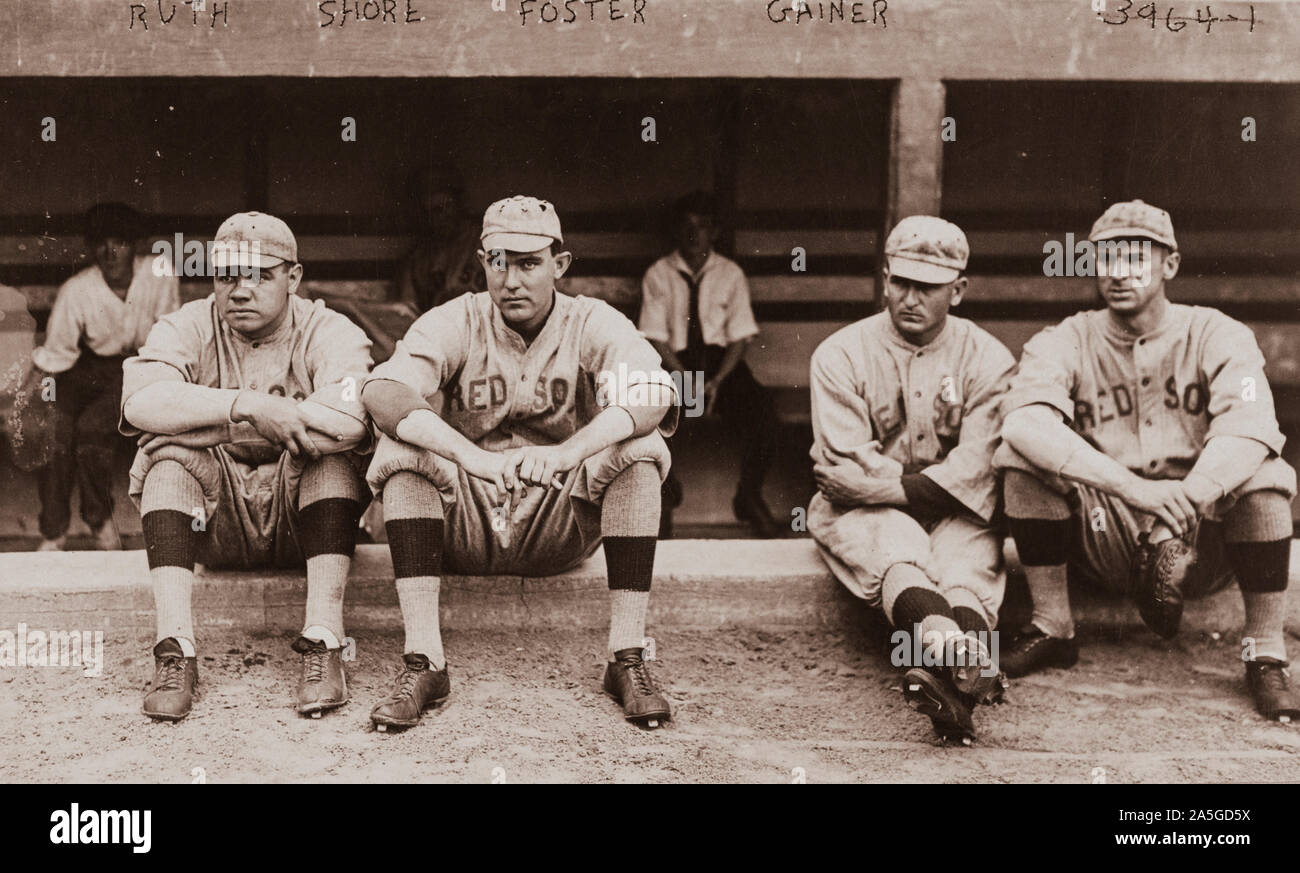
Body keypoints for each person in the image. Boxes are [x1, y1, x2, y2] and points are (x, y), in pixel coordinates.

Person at [361, 195, 679, 731]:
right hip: (466, 522)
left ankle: (627, 656)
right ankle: (425, 661)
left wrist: (568, 452)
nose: (512, 279)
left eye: (529, 263)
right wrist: (471, 458)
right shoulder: (456, 319)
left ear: (560, 265)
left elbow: (653, 392)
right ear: (482, 262)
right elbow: (383, 391)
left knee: (643, 451)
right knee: (400, 451)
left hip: (558, 518)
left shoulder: (591, 321)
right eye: (499, 261)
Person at [995, 200, 1299, 722]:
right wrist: (1137, 494)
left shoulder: (1219, 332)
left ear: (1170, 265)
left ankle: (1265, 652)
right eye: (1106, 259)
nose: (1118, 273)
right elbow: (1024, 423)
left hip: (1201, 533)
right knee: (1019, 461)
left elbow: (1252, 428)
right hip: (1107, 527)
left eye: (1136, 258)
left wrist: (1184, 500)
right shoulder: (1066, 338)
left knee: (1268, 476)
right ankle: (1053, 626)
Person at [120, 212, 374, 722]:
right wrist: (249, 406)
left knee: (331, 458)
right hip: (216, 522)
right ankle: (176, 649)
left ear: (294, 278)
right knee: (166, 457)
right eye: (226, 275)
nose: (239, 289)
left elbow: (350, 420)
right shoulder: (186, 325)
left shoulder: (330, 329)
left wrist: (204, 420)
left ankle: (324, 640)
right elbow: (140, 403)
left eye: (258, 274)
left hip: (300, 521)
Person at [807, 216, 1014, 744]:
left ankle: (946, 672)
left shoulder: (988, 358)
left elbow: (977, 468)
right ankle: (958, 662)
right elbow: (846, 467)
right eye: (900, 281)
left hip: (954, 507)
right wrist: (905, 489)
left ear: (959, 290)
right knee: (896, 549)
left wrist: (888, 484)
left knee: (965, 567)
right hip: (864, 511)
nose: (910, 298)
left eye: (928, 286)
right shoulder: (840, 353)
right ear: (884, 278)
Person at [22, 203, 179, 551]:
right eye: (101, 244)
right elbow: (56, 353)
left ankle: (99, 520)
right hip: (86, 369)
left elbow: (170, 334)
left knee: (92, 429)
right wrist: (26, 396)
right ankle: (54, 532)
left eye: (119, 242)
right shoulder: (77, 289)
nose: (110, 252)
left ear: (134, 246)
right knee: (54, 429)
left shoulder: (159, 275)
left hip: (140, 367)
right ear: (92, 248)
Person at [639, 191, 780, 537]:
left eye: (701, 226)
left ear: (714, 232)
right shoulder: (659, 274)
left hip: (721, 367)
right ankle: (665, 497)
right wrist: (686, 381)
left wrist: (715, 383)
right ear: (676, 231)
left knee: (764, 412)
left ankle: (749, 495)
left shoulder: (730, 273)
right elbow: (656, 337)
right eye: (686, 226)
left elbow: (740, 337)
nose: (693, 234)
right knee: (648, 413)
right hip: (675, 364)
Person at [394, 170, 486, 313]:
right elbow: (405, 308)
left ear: (460, 204)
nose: (437, 219)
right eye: (428, 213)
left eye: (442, 209)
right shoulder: (418, 258)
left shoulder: (492, 241)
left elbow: (505, 285)